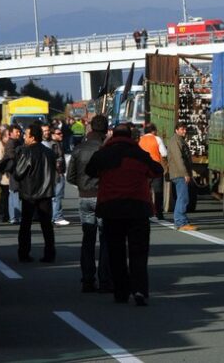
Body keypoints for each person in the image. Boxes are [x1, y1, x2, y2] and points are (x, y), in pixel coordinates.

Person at [86, 123, 163, 306]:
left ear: (112, 136)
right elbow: (157, 170)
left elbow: (89, 171)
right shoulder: (139, 154)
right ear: (131, 136)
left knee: (116, 252)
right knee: (138, 252)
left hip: (112, 208)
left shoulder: (103, 154)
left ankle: (121, 291)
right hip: (138, 208)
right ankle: (139, 290)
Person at [67, 115, 113, 293]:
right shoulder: (106, 149)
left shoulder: (79, 149)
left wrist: (82, 185)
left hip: (84, 196)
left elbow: (70, 176)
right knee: (105, 239)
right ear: (105, 130)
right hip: (102, 196)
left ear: (91, 129)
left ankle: (87, 279)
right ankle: (104, 279)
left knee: (88, 239)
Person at [14, 123, 57, 263]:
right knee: (47, 225)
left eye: (26, 135)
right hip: (46, 192)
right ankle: (50, 254)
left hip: (29, 193)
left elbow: (18, 173)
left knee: (26, 225)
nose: (24, 137)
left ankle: (24, 253)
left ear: (32, 137)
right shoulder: (49, 152)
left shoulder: (26, 152)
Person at [166, 122, 197, 231]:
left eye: (185, 129)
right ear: (176, 130)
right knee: (183, 198)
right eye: (182, 129)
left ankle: (181, 220)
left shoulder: (179, 140)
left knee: (182, 197)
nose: (184, 131)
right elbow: (178, 159)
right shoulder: (176, 141)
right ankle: (180, 222)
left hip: (179, 173)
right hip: (179, 173)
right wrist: (185, 173)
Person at [138, 123, 168, 220]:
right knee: (158, 191)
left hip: (143, 168)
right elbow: (164, 153)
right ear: (153, 131)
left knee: (145, 190)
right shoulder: (157, 139)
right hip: (155, 167)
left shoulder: (140, 140)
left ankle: (145, 210)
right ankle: (159, 212)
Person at [0, 124, 23, 225]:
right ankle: (15, 217)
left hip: (13, 171)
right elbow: (11, 156)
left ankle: (14, 217)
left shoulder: (17, 142)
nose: (18, 133)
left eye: (19, 131)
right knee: (15, 193)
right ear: (10, 134)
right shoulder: (12, 143)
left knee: (13, 193)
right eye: (16, 132)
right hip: (14, 171)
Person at [50, 126, 69, 226]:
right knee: (57, 196)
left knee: (56, 196)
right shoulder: (53, 145)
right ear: (52, 135)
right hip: (57, 174)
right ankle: (57, 216)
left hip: (58, 173)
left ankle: (55, 216)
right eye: (58, 133)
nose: (61, 135)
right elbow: (53, 159)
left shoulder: (58, 143)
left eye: (61, 133)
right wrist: (58, 166)